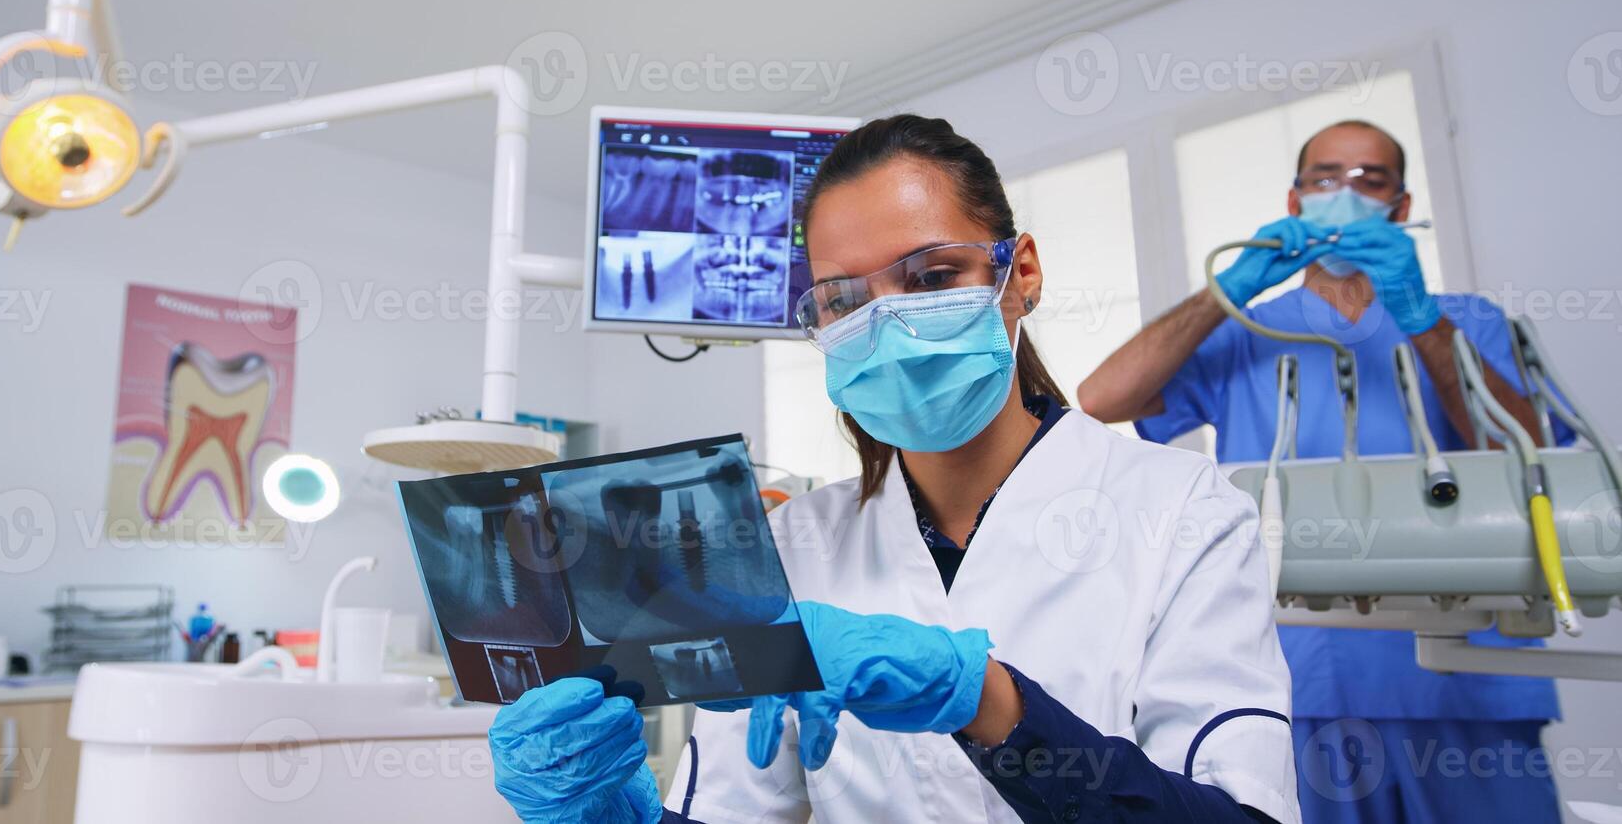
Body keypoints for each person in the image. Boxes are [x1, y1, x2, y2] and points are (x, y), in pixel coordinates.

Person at [486, 115, 1301, 824]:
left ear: (1019, 274)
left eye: (932, 277)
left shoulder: (1183, 510)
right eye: (843, 300)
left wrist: (986, 701)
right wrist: (607, 813)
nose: (887, 324)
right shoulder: (788, 544)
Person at [1078, 119, 1565, 822]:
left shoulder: (1464, 322)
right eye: (1326, 178)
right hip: (1306, 689)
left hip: (1469, 683)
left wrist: (1419, 316)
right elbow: (1101, 398)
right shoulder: (1249, 332)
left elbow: (1524, 451)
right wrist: (1227, 291)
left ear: (1400, 209)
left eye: (1371, 181)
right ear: (1295, 199)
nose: (1347, 193)